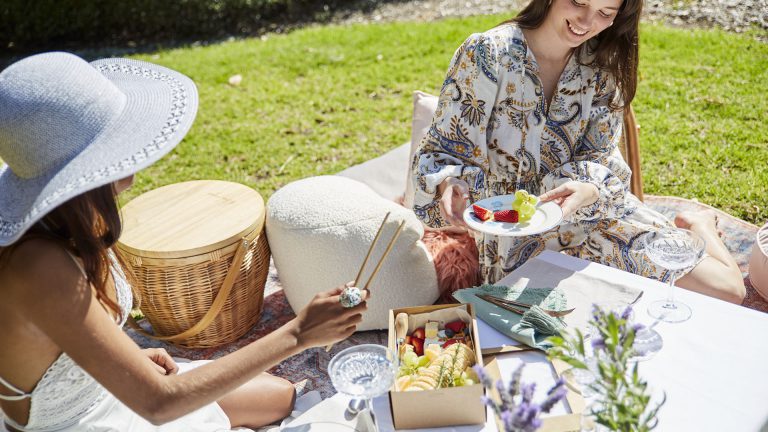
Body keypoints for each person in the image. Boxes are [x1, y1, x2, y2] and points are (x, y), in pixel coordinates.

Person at [0, 52, 368, 431]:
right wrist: (298, 333)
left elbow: (64, 335)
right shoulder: (40, 268)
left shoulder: (68, 222)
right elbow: (159, 405)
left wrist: (127, 359)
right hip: (86, 422)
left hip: (105, 388)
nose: (133, 157)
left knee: (277, 395)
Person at [410, 0, 746, 304]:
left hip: (592, 214)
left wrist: (588, 190)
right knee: (549, 335)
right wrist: (448, 184)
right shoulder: (486, 53)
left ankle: (698, 224)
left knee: (729, 290)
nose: (586, 22)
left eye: (604, 14)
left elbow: (600, 160)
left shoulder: (603, 65)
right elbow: (443, 151)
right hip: (515, 234)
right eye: (578, 2)